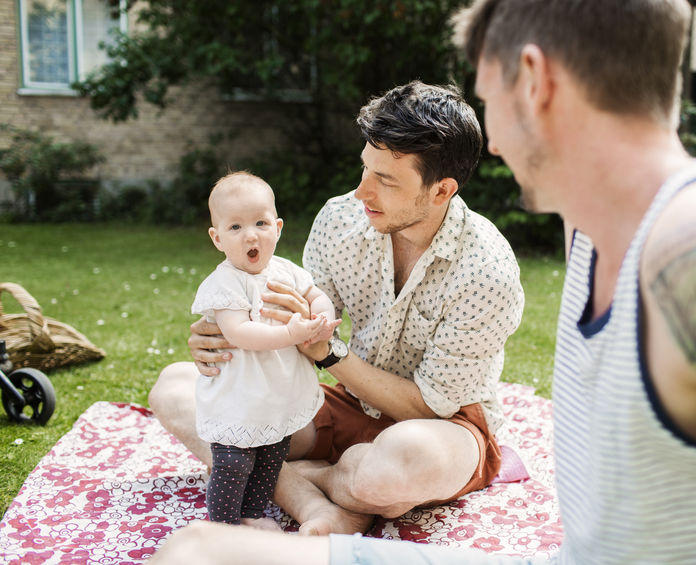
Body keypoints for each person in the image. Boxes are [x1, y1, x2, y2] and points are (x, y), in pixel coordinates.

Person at [151, 0, 696, 562]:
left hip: (431, 427)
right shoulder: (592, 239)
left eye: (488, 98)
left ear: (535, 81)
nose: (495, 140)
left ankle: (297, 488)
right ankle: (302, 493)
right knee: (196, 550)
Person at [148, 81, 524, 541]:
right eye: (366, 168)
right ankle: (323, 505)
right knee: (176, 388)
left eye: (386, 180)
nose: (362, 192)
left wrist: (328, 353)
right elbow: (287, 323)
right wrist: (218, 335)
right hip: (344, 402)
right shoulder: (341, 218)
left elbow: (429, 404)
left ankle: (317, 481)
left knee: (396, 467)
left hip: (440, 427)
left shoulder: (487, 271)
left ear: (441, 189)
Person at [192, 172, 340, 530]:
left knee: (273, 456)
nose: (251, 234)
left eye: (260, 223)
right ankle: (224, 524)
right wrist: (291, 332)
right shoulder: (225, 283)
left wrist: (322, 314)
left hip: (276, 393)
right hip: (239, 398)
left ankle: (254, 514)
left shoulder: (286, 271)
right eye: (236, 227)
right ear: (217, 238)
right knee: (233, 462)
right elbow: (240, 332)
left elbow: (314, 295)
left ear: (277, 227)